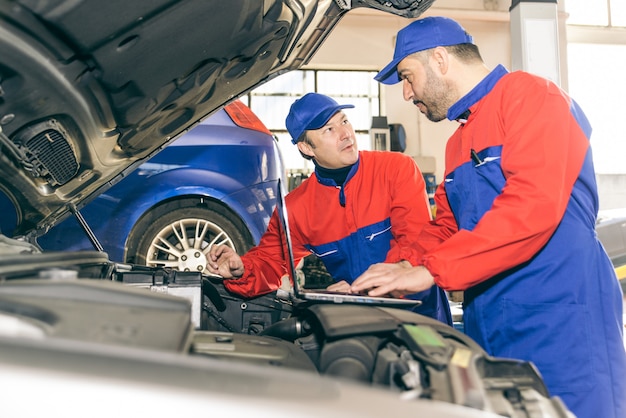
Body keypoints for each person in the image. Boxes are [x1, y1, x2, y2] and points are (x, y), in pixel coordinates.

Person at [350, 16, 626, 418]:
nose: (407, 94)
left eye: (408, 77)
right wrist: (385, 271)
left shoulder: (532, 96)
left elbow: (532, 206)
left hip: (560, 316)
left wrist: (432, 272)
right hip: (492, 320)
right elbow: (447, 226)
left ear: (440, 60)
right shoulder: (460, 140)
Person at [207, 92, 452, 324]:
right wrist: (241, 269)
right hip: (361, 325)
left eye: (344, 121)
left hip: (421, 315)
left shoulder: (395, 170)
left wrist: (362, 292)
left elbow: (415, 243)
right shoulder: (296, 208)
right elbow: (270, 261)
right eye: (329, 129)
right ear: (307, 148)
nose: (345, 133)